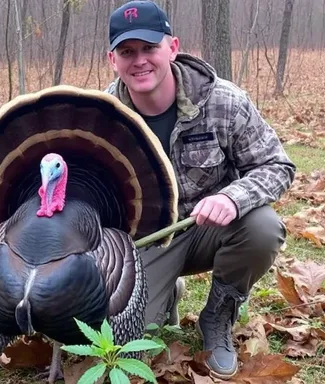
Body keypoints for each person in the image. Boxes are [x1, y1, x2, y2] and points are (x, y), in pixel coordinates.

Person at [104, 0, 296, 380]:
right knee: (127, 342)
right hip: (146, 241)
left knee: (262, 228)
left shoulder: (222, 101)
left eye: (149, 48)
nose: (139, 60)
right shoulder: (103, 115)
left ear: (172, 48)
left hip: (211, 229)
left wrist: (231, 197)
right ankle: (163, 291)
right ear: (113, 60)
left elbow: (278, 166)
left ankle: (218, 315)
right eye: (128, 52)